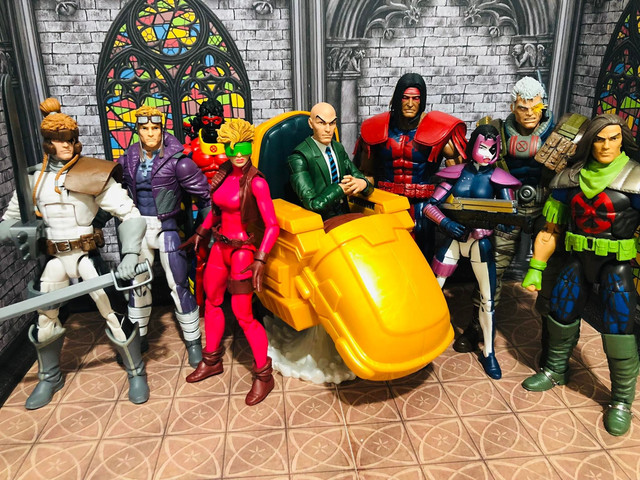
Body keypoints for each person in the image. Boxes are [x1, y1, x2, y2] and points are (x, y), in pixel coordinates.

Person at [0, 98, 148, 408]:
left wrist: (130, 255)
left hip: (86, 255)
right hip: (55, 258)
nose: (66, 145)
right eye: (58, 139)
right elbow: (9, 222)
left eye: (70, 138)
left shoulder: (94, 173)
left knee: (113, 314)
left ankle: (136, 371)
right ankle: (49, 377)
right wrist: (18, 232)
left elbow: (130, 214)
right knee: (45, 319)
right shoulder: (34, 179)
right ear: (48, 143)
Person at [522, 114, 640, 436]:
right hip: (576, 259)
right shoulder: (569, 179)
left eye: (613, 138)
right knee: (561, 313)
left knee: (619, 328)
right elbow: (550, 229)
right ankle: (554, 370)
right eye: (599, 139)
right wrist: (536, 268)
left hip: (615, 265)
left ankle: (621, 401)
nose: (606, 145)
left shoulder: (635, 179)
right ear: (589, 141)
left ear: (623, 140)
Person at [455, 76, 559, 354]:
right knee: (491, 268)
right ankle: (476, 326)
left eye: (535, 107)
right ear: (513, 106)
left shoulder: (559, 133)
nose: (529, 113)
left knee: (551, 273)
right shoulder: (496, 132)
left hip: (546, 208)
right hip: (507, 205)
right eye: (523, 108)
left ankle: (552, 338)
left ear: (543, 105)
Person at [184, 118, 280, 406]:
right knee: (212, 303)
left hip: (242, 251)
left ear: (250, 146)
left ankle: (264, 375)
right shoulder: (223, 174)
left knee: (243, 315)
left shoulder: (257, 182)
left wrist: (260, 257)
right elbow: (216, 211)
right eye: (232, 147)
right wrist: (202, 231)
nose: (238, 154)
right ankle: (212, 360)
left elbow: (272, 225)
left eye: (243, 147)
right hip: (219, 247)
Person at [424, 125, 521, 379]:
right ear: (472, 145)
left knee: (488, 301)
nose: (488, 154)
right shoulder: (456, 174)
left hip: (480, 241)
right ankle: (423, 346)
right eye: (483, 147)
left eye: (492, 149)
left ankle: (489, 352)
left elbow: (509, 213)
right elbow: (431, 206)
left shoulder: (499, 178)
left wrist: (497, 224)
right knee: (432, 292)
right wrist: (447, 224)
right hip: (454, 238)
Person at [117, 105, 210, 368]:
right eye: (145, 128)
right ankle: (139, 338)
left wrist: (203, 231)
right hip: (137, 227)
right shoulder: (127, 160)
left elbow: (205, 198)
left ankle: (193, 341)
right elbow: (113, 196)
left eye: (155, 128)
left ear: (162, 128)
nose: (150, 133)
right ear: (137, 130)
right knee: (137, 285)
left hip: (167, 227)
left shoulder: (178, 161)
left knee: (178, 283)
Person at [354, 72, 467, 259]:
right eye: (405, 97)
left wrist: (451, 209)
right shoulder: (377, 128)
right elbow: (367, 173)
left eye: (415, 98)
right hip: (388, 203)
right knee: (388, 256)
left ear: (422, 101)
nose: (410, 103)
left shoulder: (439, 130)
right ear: (397, 98)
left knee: (422, 255)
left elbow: (459, 176)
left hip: (422, 205)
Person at [288, 102, 373, 222]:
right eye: (321, 123)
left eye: (332, 123)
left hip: (345, 215)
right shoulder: (299, 157)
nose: (328, 130)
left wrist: (363, 183)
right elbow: (313, 204)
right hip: (319, 222)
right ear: (311, 123)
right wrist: (339, 189)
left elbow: (363, 182)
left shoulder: (338, 149)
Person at [183, 99, 228, 183]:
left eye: (216, 120)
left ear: (221, 120)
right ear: (200, 120)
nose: (211, 125)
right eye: (206, 120)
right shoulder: (190, 148)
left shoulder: (232, 145)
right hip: (201, 188)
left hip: (227, 188)